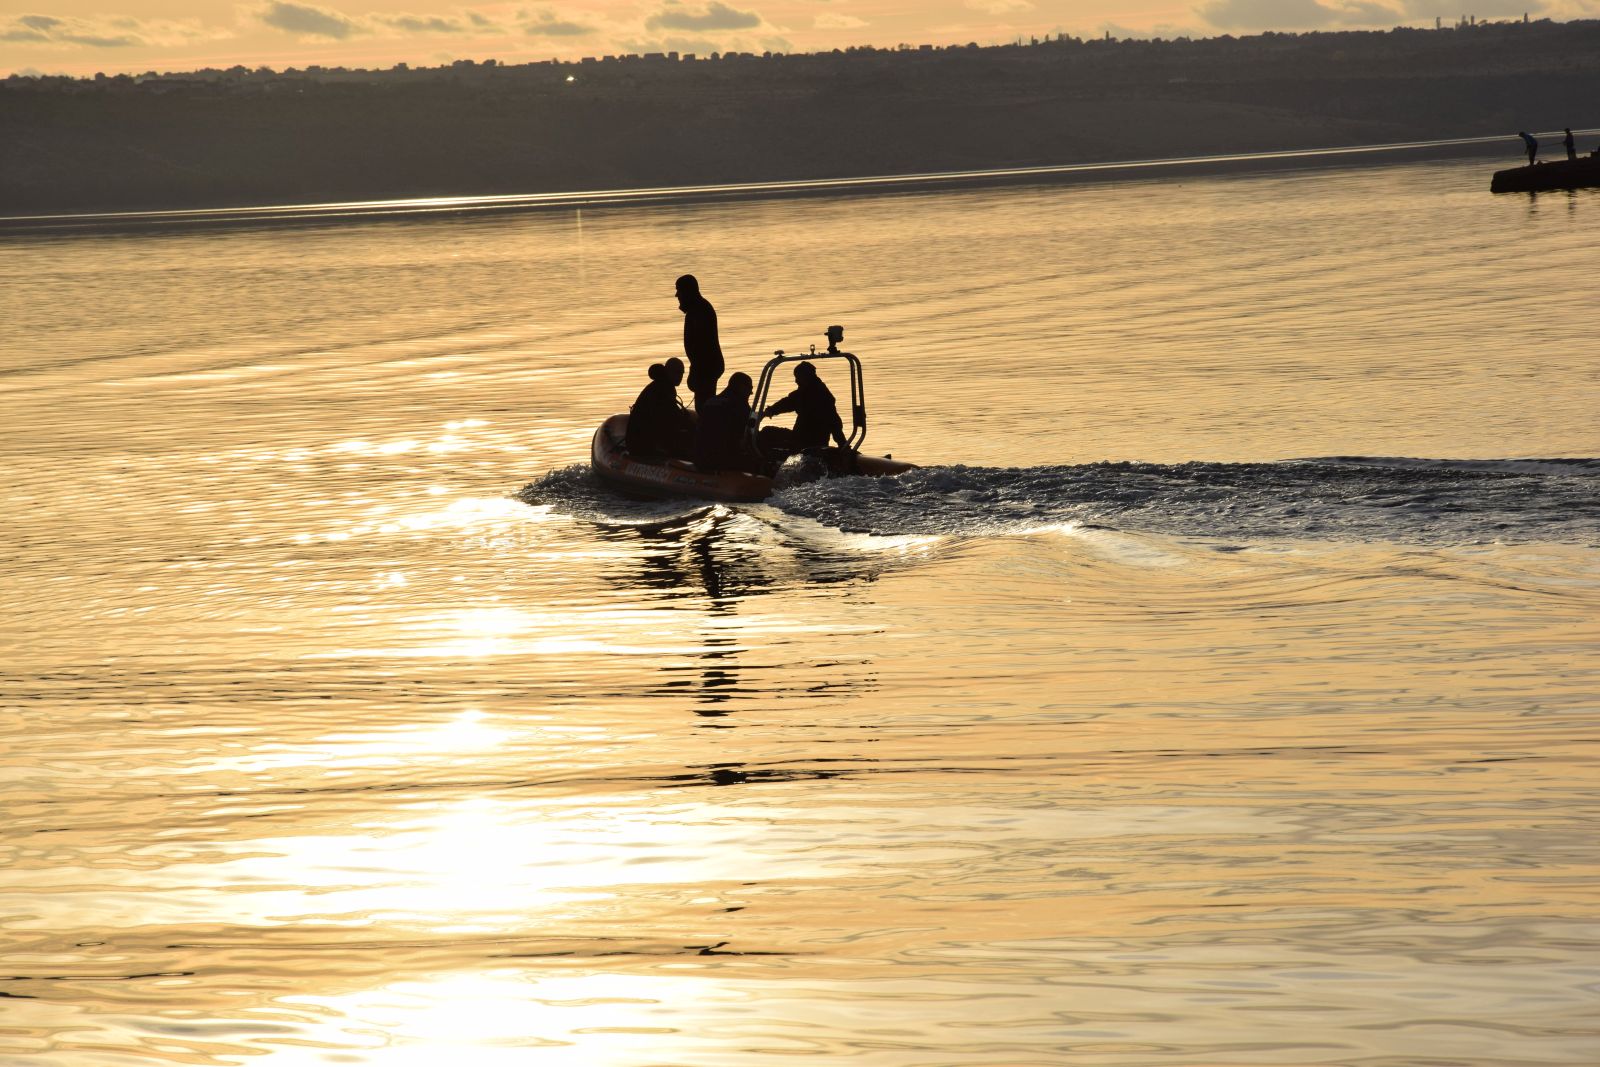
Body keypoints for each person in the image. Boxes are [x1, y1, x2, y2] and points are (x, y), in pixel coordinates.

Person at [757, 361, 851, 459]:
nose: (796, 381)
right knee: (768, 431)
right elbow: (835, 423)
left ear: (806, 377)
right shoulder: (821, 395)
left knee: (767, 432)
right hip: (807, 440)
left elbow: (789, 402)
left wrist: (770, 411)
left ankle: (761, 462)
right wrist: (843, 444)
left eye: (798, 377)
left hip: (802, 443)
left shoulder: (807, 395)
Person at [626, 358, 693, 457]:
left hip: (643, 437)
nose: (680, 377)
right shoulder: (663, 389)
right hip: (642, 442)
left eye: (682, 373)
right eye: (677, 373)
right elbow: (669, 416)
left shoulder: (661, 385)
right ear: (669, 372)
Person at [694, 372, 758, 473]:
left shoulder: (710, 402)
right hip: (723, 458)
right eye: (749, 388)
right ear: (741, 388)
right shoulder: (739, 406)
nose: (751, 393)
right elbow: (749, 431)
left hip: (701, 456)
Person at [675, 274, 724, 407]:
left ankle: (707, 426)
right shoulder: (698, 309)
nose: (677, 295)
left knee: (703, 406)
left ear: (687, 292)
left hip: (706, 369)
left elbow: (702, 347)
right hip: (705, 368)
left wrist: (696, 371)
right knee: (703, 404)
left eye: (679, 291)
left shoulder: (699, 311)